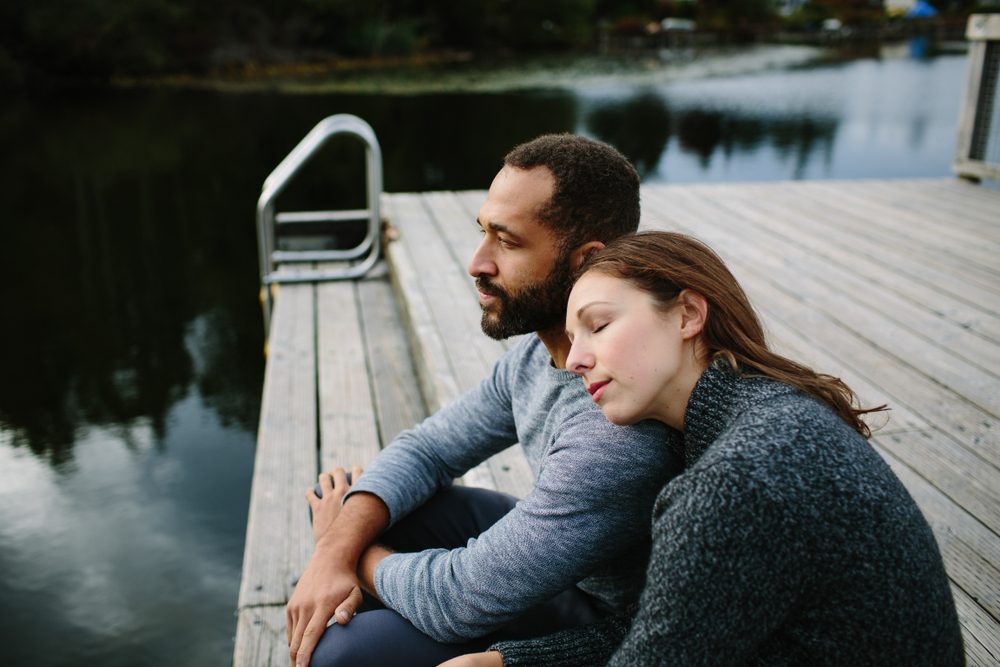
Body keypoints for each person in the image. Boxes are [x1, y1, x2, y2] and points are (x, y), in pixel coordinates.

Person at [442, 231, 965, 666]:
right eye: (574, 335)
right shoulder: (771, 411)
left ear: (689, 314)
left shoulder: (735, 481)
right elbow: (685, 623)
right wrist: (512, 661)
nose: (575, 359)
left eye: (598, 325)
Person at [285, 136, 683, 667]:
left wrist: (348, 557)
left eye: (507, 242)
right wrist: (334, 551)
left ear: (587, 261)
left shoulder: (617, 425)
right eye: (482, 232)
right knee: (361, 516)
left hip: (606, 628)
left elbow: (459, 603)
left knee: (338, 651)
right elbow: (429, 448)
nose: (477, 262)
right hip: (561, 563)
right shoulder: (537, 355)